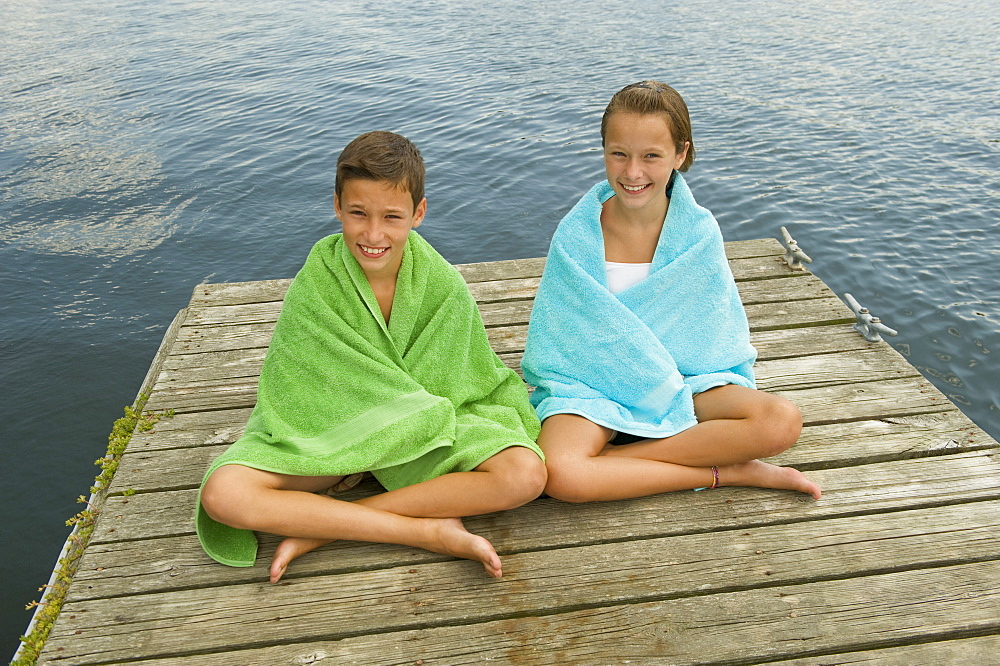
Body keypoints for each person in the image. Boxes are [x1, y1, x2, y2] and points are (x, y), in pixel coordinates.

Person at [197, 131, 547, 582]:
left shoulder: (441, 284)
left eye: (392, 216)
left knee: (525, 474)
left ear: (418, 213)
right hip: (334, 435)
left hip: (419, 435)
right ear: (337, 206)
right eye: (358, 213)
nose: (374, 233)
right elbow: (297, 385)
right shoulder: (318, 281)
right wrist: (368, 423)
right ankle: (424, 532)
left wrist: (403, 423)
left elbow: (465, 380)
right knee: (223, 494)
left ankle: (322, 528)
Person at [521, 81, 821, 503]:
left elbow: (712, 337)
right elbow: (562, 340)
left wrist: (669, 388)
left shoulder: (697, 234)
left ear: (680, 154)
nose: (632, 172)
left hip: (683, 381)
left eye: (651, 156)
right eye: (618, 154)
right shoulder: (576, 235)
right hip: (593, 387)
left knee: (780, 421)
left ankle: (620, 461)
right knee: (561, 473)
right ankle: (725, 471)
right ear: (604, 149)